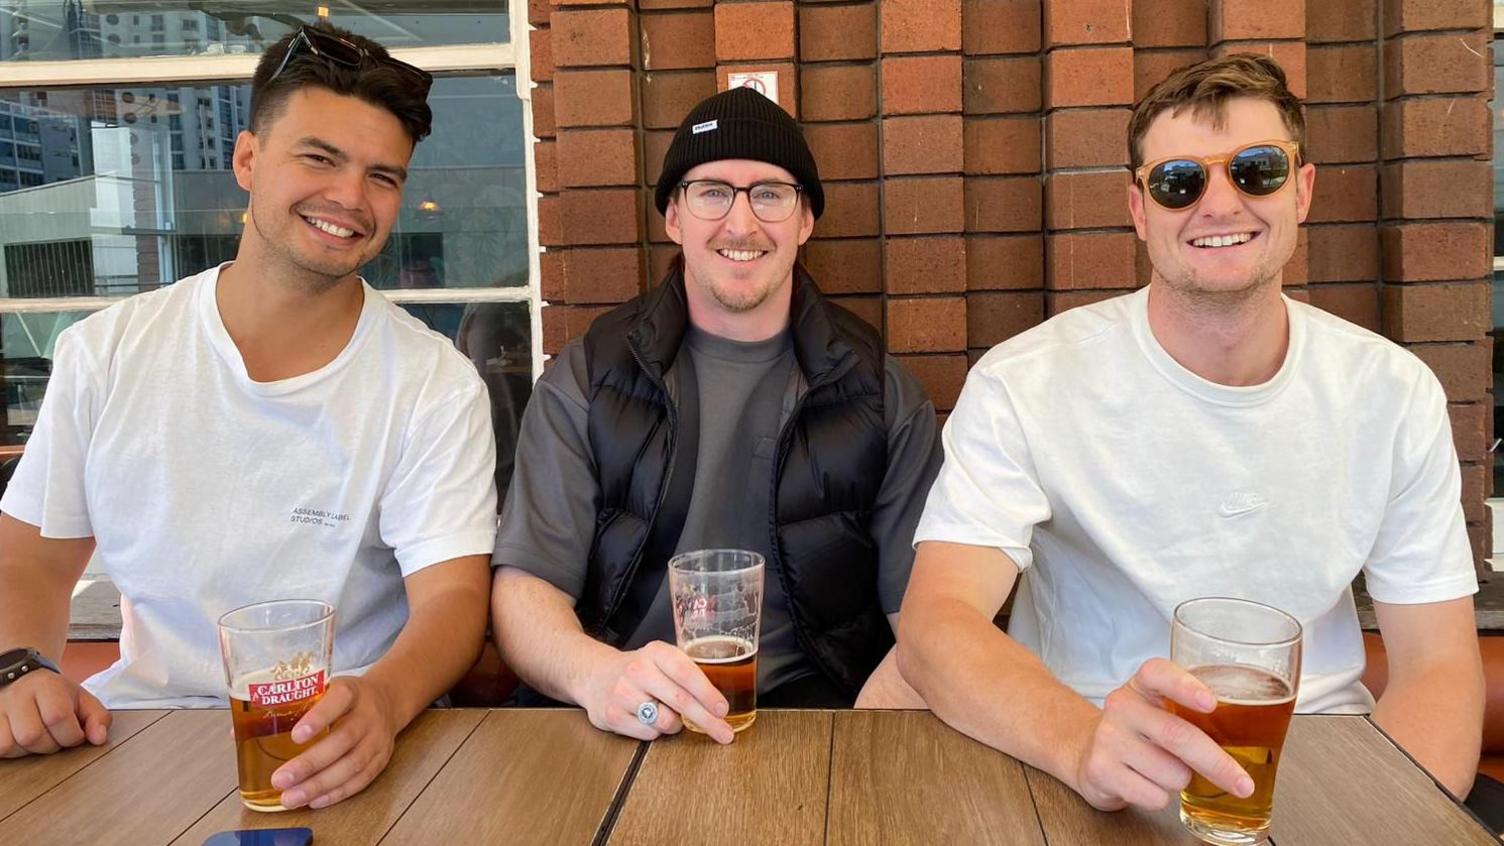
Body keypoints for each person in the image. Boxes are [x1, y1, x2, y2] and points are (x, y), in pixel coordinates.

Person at [897, 53, 1485, 811]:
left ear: (1301, 190)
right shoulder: (1027, 383)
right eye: (1180, 181)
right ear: (1141, 210)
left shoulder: (1393, 393)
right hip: (1080, 764)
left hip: (1324, 764)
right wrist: (1081, 745)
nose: (1218, 204)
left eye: (1257, 170)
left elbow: (1439, 665)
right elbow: (936, 621)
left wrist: (1387, 820)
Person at [0, 23, 498, 812]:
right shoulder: (109, 353)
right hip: (137, 733)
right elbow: (31, 561)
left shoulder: (434, 383)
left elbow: (453, 599)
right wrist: (21, 669)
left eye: (382, 177)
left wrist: (385, 702)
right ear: (246, 160)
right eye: (319, 158)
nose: (349, 199)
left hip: (339, 740)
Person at [490, 87, 941, 743]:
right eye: (711, 192)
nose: (741, 223)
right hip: (615, 721)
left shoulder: (880, 394)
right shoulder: (589, 378)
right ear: (673, 215)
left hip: (812, 722)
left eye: (770, 193)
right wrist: (598, 678)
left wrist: (860, 738)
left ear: (805, 220)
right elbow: (525, 591)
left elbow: (929, 618)